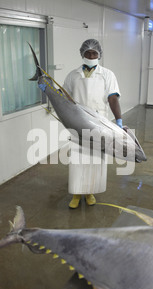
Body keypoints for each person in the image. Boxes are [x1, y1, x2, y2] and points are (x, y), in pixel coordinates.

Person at [63, 39, 123, 209]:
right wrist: (48, 89)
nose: (91, 56)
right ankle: (76, 193)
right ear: (82, 54)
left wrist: (118, 120)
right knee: (78, 159)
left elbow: (112, 98)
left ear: (99, 55)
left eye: (94, 53)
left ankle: (90, 192)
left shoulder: (107, 75)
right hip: (77, 122)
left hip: (99, 123)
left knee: (95, 160)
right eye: (87, 53)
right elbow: (65, 97)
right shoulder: (73, 75)